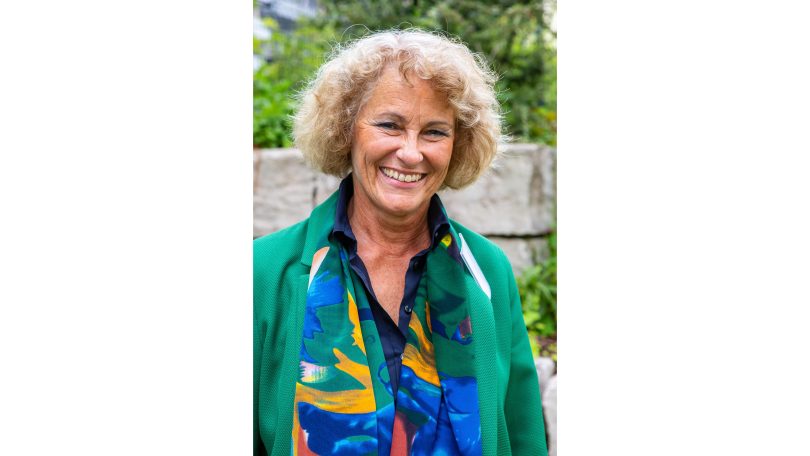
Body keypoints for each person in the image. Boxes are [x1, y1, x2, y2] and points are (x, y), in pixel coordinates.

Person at [254, 29, 548, 456]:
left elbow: (523, 438)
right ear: (345, 129)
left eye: (434, 132)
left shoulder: (487, 270)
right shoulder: (262, 272)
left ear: (459, 143)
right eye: (390, 125)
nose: (411, 153)